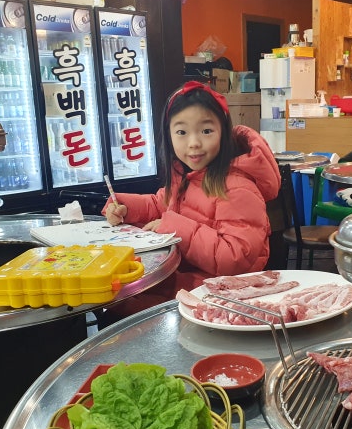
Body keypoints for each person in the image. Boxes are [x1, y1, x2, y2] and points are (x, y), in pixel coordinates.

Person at [101, 80, 281, 317]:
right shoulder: (185, 174)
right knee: (113, 294)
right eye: (181, 132)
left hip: (221, 296)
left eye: (206, 131)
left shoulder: (238, 187)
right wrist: (125, 206)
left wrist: (173, 228)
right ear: (169, 136)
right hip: (185, 280)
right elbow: (160, 203)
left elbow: (234, 258)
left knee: (122, 304)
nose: (194, 143)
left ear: (223, 133)